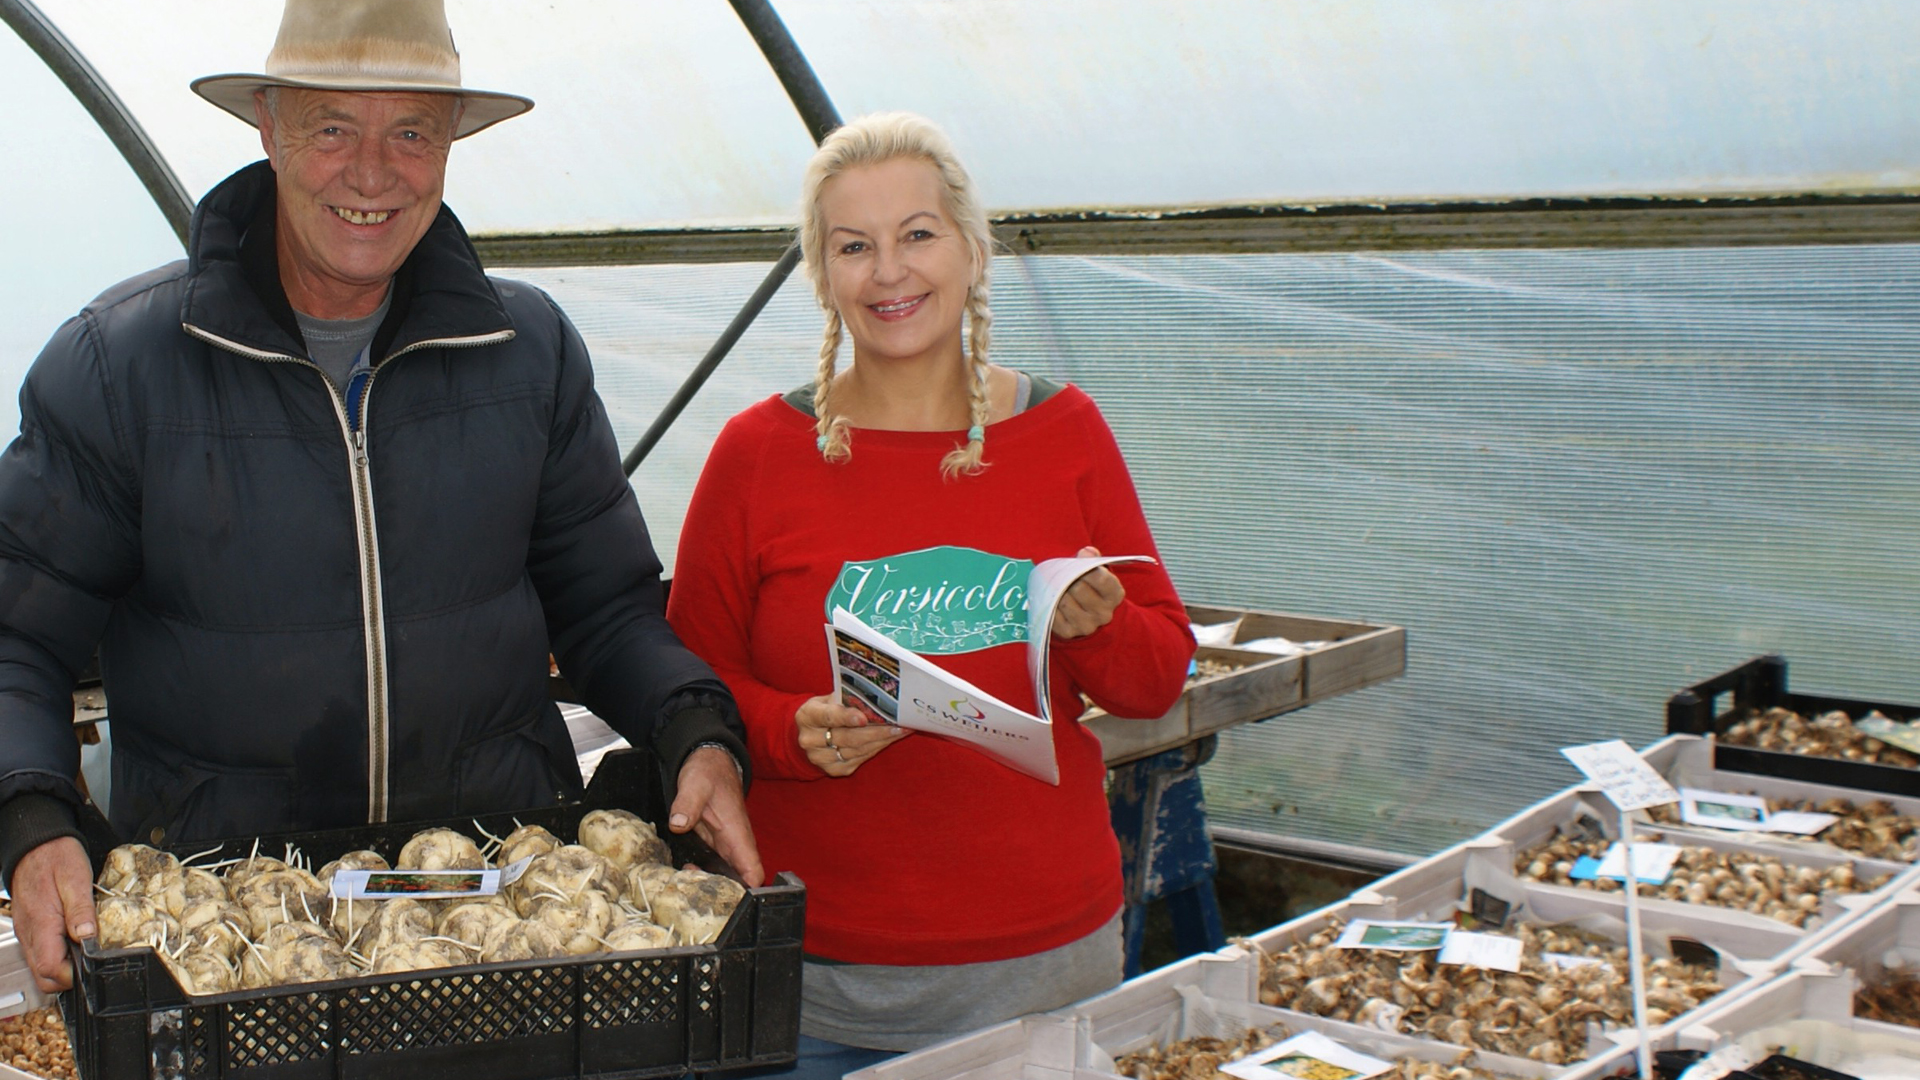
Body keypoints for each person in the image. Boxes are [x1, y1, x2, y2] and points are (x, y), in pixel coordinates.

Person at [0, 0, 760, 994]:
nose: (372, 172)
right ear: (268, 129)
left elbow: (607, 606)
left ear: (448, 150)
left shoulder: (527, 356)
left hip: (500, 917)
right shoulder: (121, 367)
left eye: (411, 131)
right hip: (229, 933)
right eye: (331, 129)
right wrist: (32, 816)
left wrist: (692, 730)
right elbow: (18, 636)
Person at [666, 112, 1197, 1070]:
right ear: (823, 276)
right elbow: (686, 691)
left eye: (918, 234)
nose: (890, 272)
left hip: (1039, 975)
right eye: (854, 247)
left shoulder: (1066, 434)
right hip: (805, 983)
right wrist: (791, 732)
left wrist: (1098, 627)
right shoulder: (755, 456)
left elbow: (1156, 681)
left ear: (972, 249)